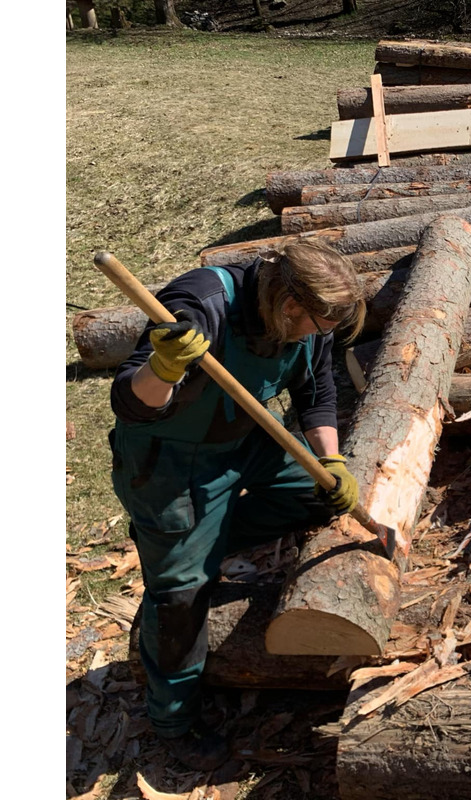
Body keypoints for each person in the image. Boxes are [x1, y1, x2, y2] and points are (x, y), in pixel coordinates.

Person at [108, 239, 367, 771]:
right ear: (290, 306)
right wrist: (164, 366)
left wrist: (332, 462)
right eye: (317, 326)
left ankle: (210, 539)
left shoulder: (308, 325)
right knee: (181, 596)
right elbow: (130, 402)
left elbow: (316, 395)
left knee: (318, 498)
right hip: (170, 461)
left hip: (244, 441)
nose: (320, 336)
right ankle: (173, 721)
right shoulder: (201, 302)